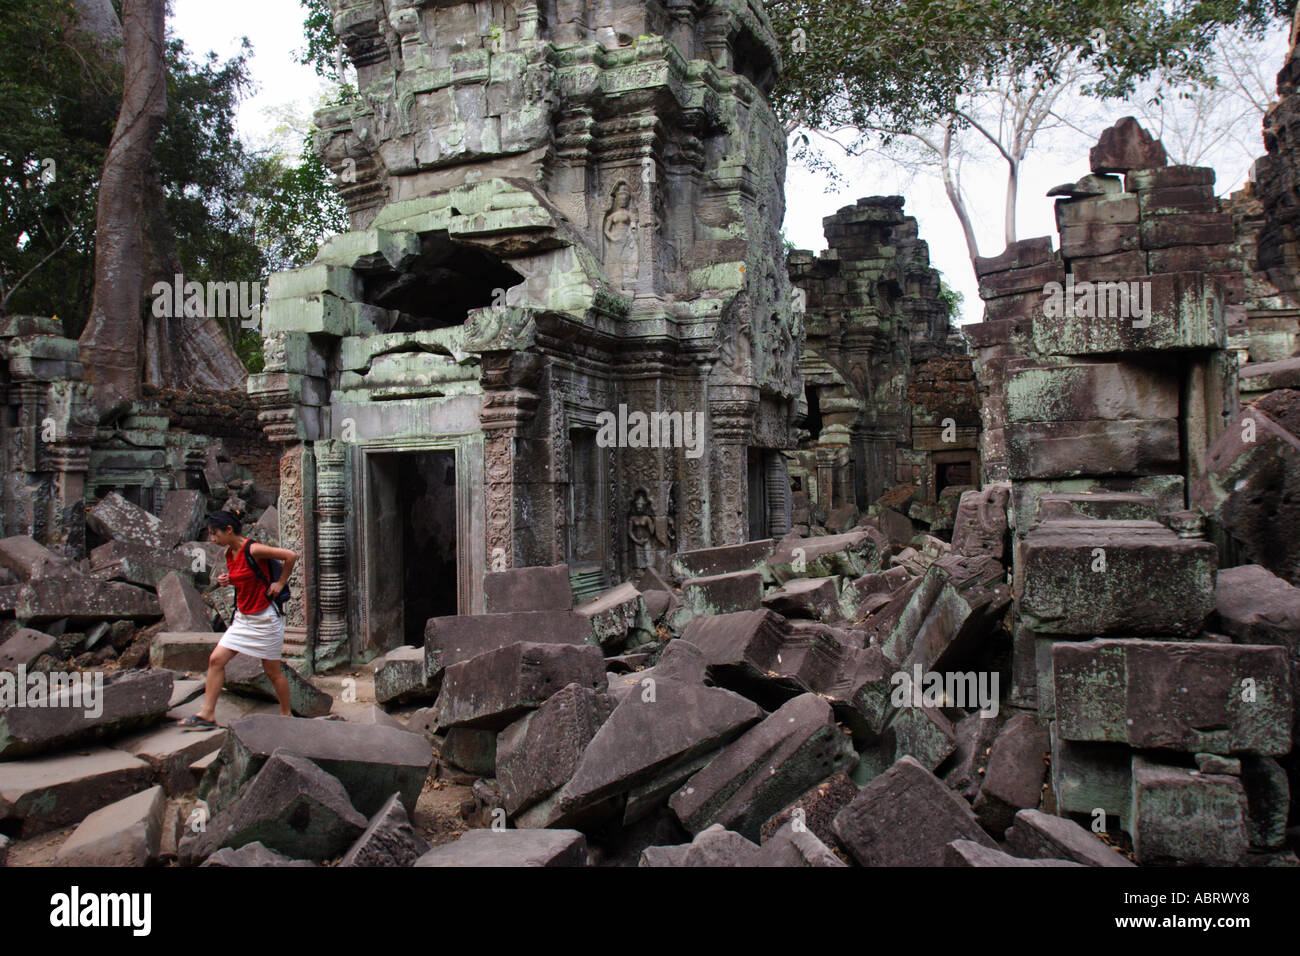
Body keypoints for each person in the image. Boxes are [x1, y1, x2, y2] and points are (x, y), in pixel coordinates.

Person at [180, 511, 298, 729]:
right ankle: (207, 714)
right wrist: (228, 579)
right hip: (243, 617)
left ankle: (286, 714)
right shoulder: (229, 553)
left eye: (215, 534)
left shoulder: (253, 549)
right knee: (216, 660)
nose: (213, 540)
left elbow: (290, 556)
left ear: (229, 530)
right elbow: (245, 577)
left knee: (272, 672)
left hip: (265, 619)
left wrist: (280, 583)